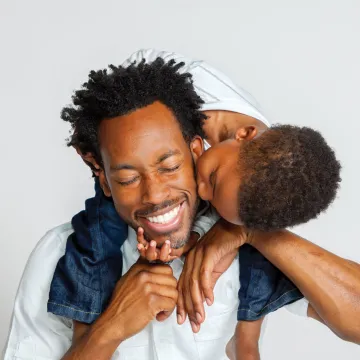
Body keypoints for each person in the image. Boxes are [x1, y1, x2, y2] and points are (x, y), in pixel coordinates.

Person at [3, 55, 359, 360]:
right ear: (103, 179)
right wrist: (108, 329)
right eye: (127, 178)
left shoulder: (239, 234)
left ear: (196, 150)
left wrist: (248, 232)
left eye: (170, 167)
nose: (155, 195)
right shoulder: (63, 255)